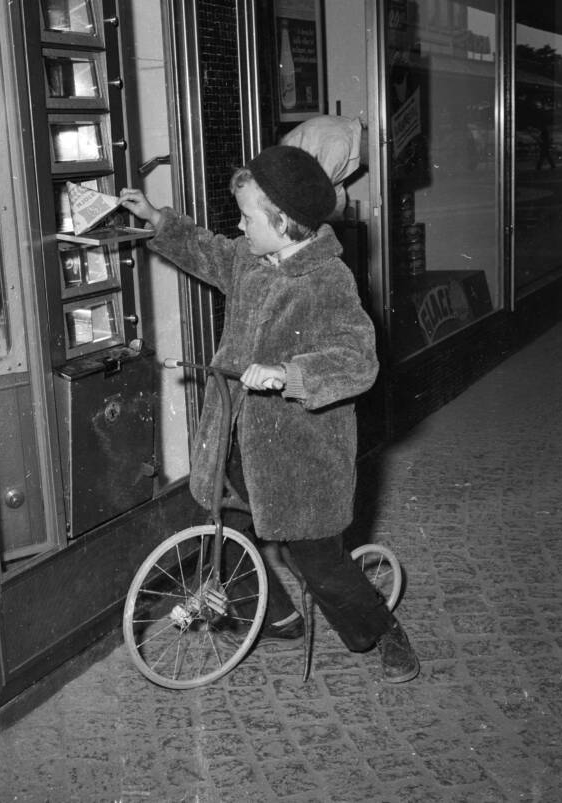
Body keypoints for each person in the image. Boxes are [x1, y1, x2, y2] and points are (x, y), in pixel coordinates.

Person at [119, 145, 419, 683]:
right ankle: (276, 615)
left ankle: (382, 631)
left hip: (297, 452)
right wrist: (157, 220)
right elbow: (206, 249)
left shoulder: (328, 281)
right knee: (220, 529)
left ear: (283, 222)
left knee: (319, 562)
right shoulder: (250, 261)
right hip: (235, 433)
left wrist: (291, 372)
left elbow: (358, 360)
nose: (238, 225)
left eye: (248, 217)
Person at [279, 114, 367, 220]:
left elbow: (334, 190)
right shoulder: (341, 144)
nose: (370, 165)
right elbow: (318, 192)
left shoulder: (350, 137)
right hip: (286, 170)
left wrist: (338, 217)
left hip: (296, 176)